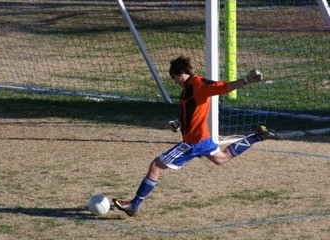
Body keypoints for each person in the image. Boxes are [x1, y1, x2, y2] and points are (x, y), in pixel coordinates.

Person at [113, 55, 281, 216]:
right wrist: (179, 124)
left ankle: (134, 205)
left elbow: (223, 87)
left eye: (174, 78)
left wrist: (246, 80)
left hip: (192, 143)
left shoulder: (198, 84)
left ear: (179, 74)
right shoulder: (187, 87)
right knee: (221, 158)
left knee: (156, 166)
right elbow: (191, 110)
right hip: (204, 139)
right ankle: (258, 136)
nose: (175, 82)